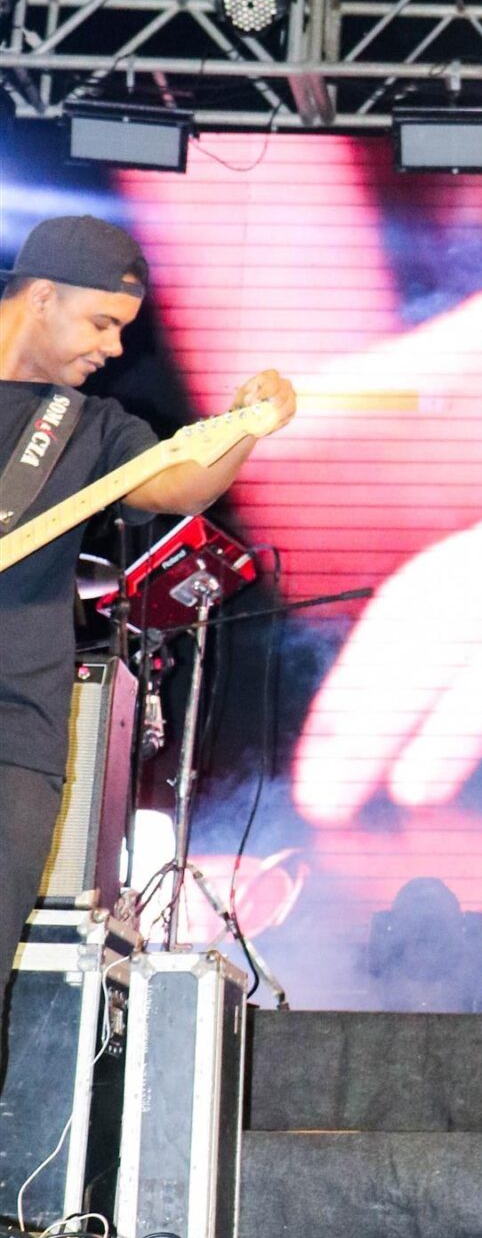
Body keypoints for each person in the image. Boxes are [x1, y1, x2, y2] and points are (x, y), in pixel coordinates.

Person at [0, 215, 296, 1033]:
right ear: (43, 297)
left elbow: (179, 484)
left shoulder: (89, 426)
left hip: (13, 730)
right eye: (102, 323)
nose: (115, 347)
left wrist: (246, 425)